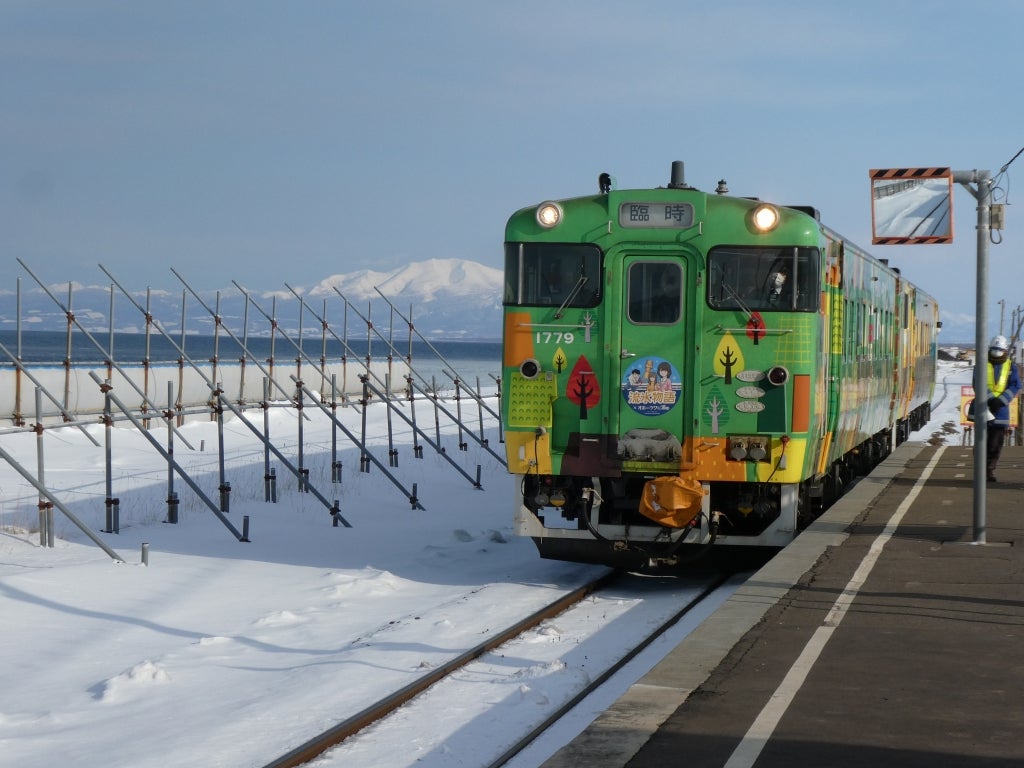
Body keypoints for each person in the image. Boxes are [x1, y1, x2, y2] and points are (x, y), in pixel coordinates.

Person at [982, 334, 1021, 482]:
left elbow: (1016, 385)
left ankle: (989, 470)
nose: (996, 353)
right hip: (984, 408)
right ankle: (982, 468)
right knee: (982, 443)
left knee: (995, 444)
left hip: (1001, 410)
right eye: (994, 349)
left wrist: (1001, 400)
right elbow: (977, 382)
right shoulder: (983, 364)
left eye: (999, 350)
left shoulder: (1010, 366)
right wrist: (991, 398)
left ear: (1005, 351)